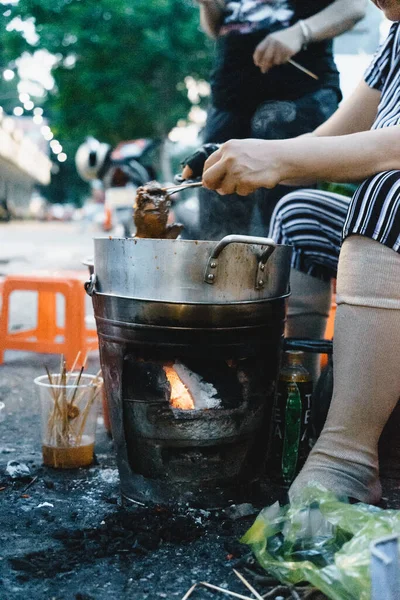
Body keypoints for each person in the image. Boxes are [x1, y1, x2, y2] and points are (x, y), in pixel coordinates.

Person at [184, 0, 400, 505]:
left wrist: (279, 156)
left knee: (388, 193)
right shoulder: (396, 38)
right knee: (299, 212)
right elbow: (322, 147)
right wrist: (238, 158)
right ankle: (297, 402)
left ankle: (347, 455)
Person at [193, 0, 367, 239]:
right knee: (218, 226)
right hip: (229, 99)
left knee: (286, 224)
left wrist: (300, 32)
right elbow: (219, 27)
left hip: (298, 98)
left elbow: (354, 7)